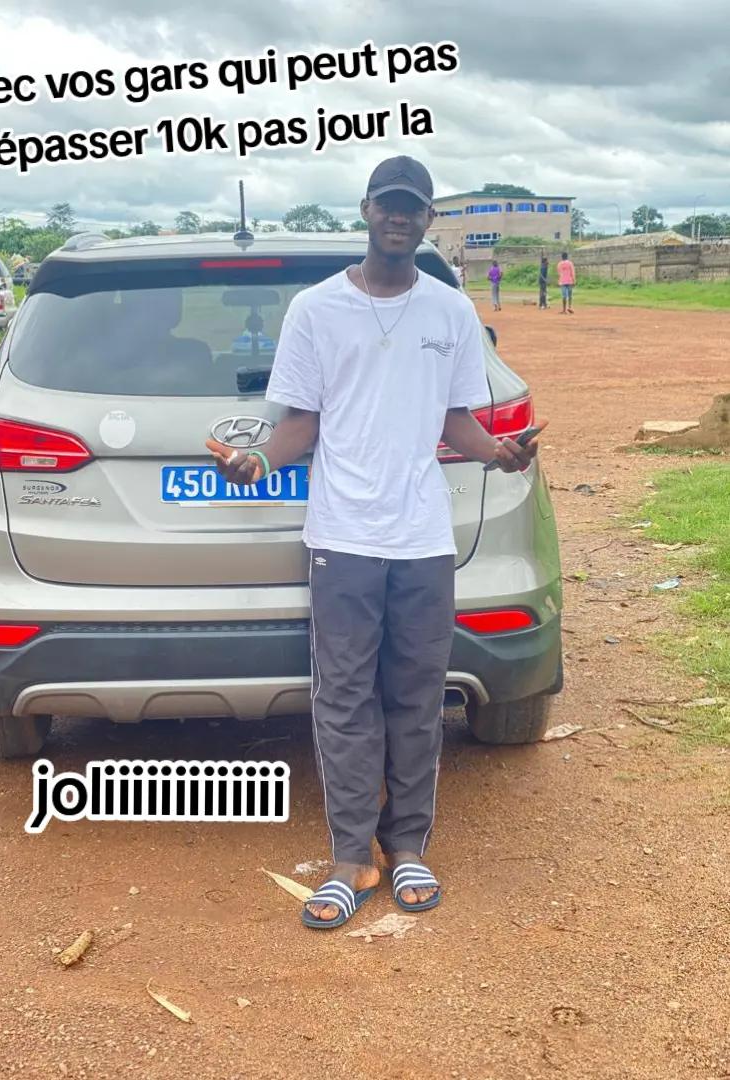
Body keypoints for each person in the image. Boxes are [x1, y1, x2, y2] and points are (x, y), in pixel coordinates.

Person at [206, 155, 543, 930]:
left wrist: (499, 452)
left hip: (422, 537)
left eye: (412, 207)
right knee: (345, 698)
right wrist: (258, 462)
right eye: (388, 204)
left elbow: (455, 418)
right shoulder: (316, 310)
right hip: (343, 537)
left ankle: (410, 846)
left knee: (417, 697)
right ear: (366, 210)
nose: (398, 216)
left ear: (428, 219)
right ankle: (353, 855)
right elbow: (301, 423)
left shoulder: (450, 311)